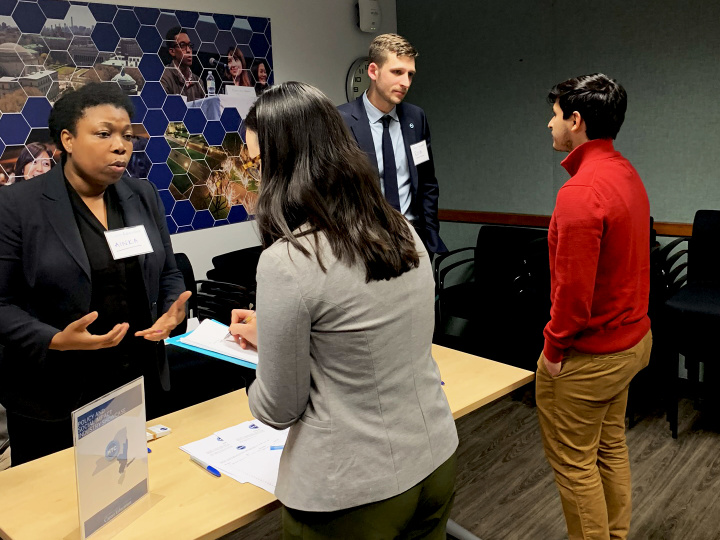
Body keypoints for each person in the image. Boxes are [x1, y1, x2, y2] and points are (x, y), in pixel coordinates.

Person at [229, 82, 458, 539]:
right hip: (434, 461)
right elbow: (368, 328)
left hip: (352, 493)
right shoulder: (398, 229)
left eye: (256, 163)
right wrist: (277, 333)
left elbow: (277, 408)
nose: (251, 176)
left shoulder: (288, 261)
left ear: (283, 166)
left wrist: (261, 367)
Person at [0, 82, 190, 466]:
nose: (121, 145)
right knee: (55, 515)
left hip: (138, 379)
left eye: (126, 135)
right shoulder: (17, 205)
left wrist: (173, 310)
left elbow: (168, 270)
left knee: (139, 498)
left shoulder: (143, 195)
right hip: (56, 393)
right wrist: (55, 339)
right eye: (104, 134)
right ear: (68, 140)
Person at [536, 73, 652, 540]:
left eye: (556, 115)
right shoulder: (625, 171)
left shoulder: (581, 192)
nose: (550, 125)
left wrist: (553, 351)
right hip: (631, 343)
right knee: (609, 447)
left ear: (577, 121)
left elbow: (573, 296)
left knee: (575, 465)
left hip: (592, 356)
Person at [338, 33, 447, 256]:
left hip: (414, 240)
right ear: (373, 71)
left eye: (410, 74)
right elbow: (337, 193)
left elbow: (427, 182)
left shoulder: (416, 118)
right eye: (397, 72)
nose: (405, 82)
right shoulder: (341, 120)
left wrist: (429, 235)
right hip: (366, 245)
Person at [160, 27, 205, 101]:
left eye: (190, 46)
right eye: (182, 45)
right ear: (172, 51)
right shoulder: (164, 77)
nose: (188, 50)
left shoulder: (198, 81)